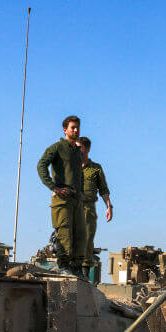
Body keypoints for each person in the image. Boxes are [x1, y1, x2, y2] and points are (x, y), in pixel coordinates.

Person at [38, 116, 86, 276]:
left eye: (78, 127)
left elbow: (79, 175)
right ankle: (63, 265)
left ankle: (77, 267)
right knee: (64, 234)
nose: (76, 130)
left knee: (80, 235)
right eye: (73, 127)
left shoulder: (77, 152)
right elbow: (41, 165)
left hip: (76, 199)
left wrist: (81, 192)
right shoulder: (57, 147)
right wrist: (53, 186)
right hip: (62, 199)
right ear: (65, 130)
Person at [77, 136, 112, 273]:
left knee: (87, 240)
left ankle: (84, 275)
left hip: (87, 208)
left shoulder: (95, 169)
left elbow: (103, 189)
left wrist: (109, 206)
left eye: (80, 147)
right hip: (71, 207)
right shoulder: (70, 167)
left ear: (87, 149)